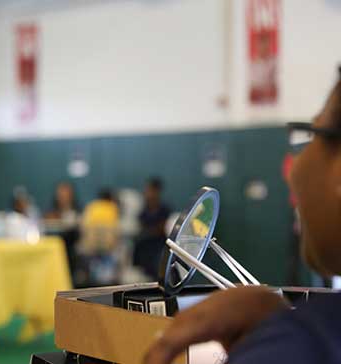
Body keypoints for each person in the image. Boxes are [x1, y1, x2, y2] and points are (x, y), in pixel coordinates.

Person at [144, 69, 341, 364]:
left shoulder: (302, 345)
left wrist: (282, 342)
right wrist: (282, 325)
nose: (294, 170)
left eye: (310, 135)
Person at [134, 178, 171, 279]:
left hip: (159, 248)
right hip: (145, 249)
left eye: (150, 190)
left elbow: (162, 228)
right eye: (146, 190)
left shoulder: (164, 210)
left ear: (157, 191)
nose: (147, 193)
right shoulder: (144, 210)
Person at [44, 181, 81, 277]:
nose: (63, 197)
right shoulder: (51, 212)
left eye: (66, 194)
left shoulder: (76, 211)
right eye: (61, 194)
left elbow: (78, 234)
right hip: (54, 251)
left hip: (71, 251)